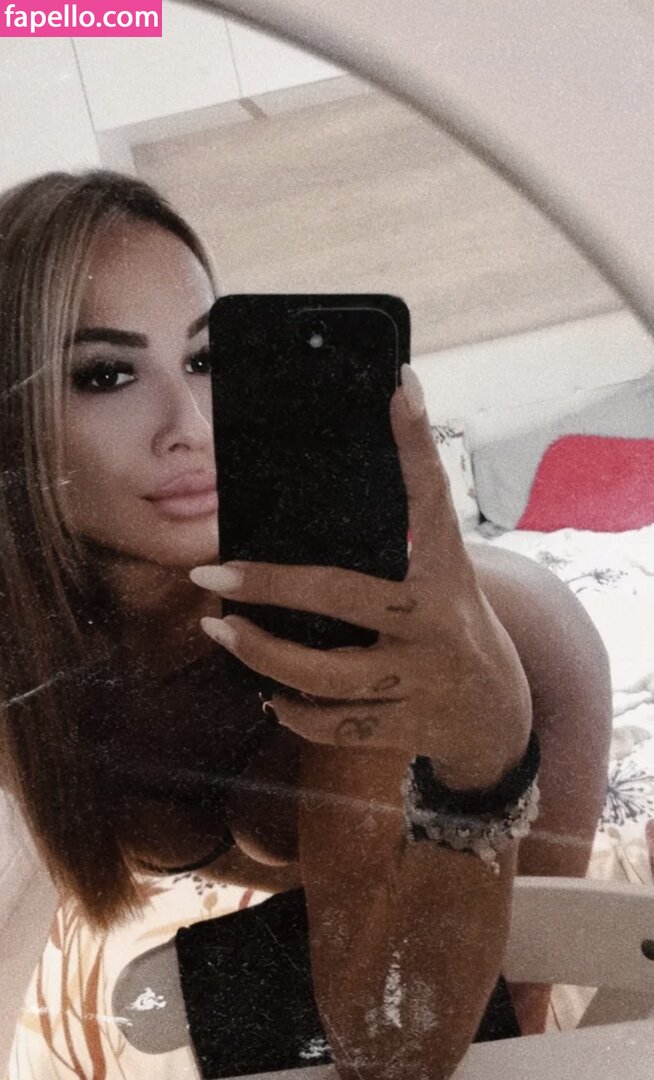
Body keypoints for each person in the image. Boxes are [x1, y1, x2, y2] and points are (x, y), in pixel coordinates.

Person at [0, 169, 612, 1080]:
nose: (190, 426)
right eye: (106, 374)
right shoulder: (24, 656)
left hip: (527, 659)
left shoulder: (343, 618)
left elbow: (399, 1042)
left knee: (505, 1036)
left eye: (207, 360)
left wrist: (483, 768)